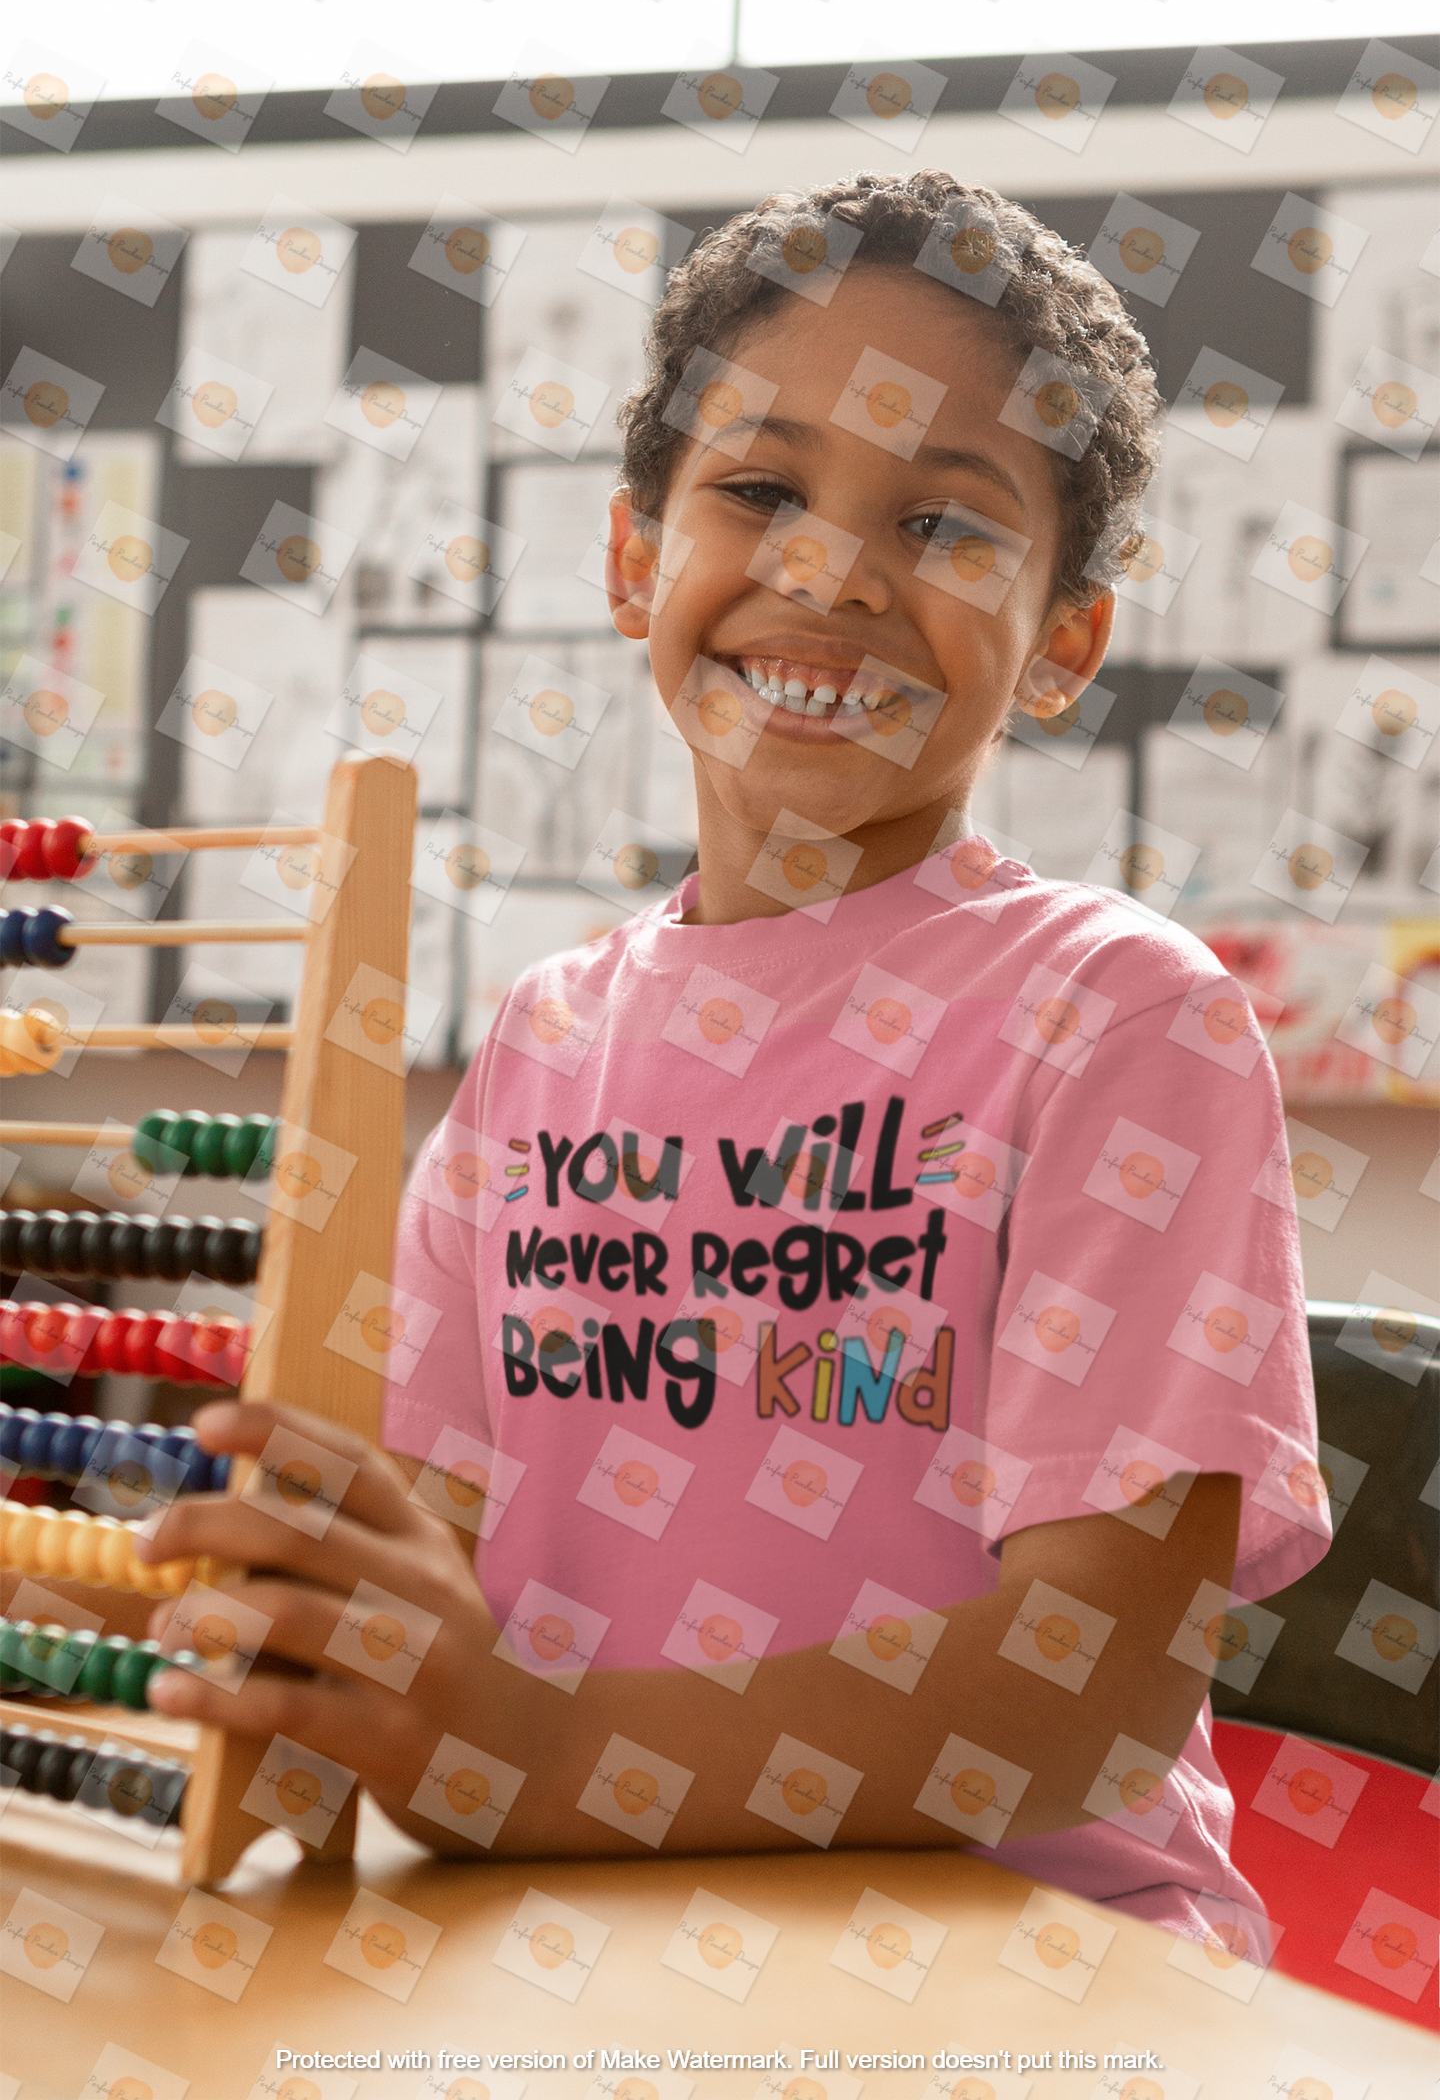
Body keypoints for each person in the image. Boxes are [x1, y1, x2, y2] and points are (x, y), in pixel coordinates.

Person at [147, 171, 1325, 1946]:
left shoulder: (1121, 1017)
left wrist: (536, 1756)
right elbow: (427, 1565)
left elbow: (1086, 1687)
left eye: (946, 525)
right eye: (760, 490)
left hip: (1032, 1983)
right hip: (570, 1949)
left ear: (1067, 637)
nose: (829, 572)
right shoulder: (543, 1044)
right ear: (638, 560)